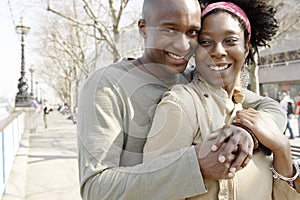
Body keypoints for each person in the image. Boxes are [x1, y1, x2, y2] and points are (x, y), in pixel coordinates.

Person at [77, 0, 288, 199]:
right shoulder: (107, 86)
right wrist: (196, 166)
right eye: (169, 30)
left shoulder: (193, 78)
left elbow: (269, 106)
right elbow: (96, 188)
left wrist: (248, 132)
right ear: (143, 28)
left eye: (192, 32)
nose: (182, 45)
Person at [144, 0, 300, 199]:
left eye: (230, 41)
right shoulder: (182, 104)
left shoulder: (250, 109)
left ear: (246, 47)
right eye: (206, 42)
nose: (218, 51)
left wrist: (282, 149)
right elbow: (154, 188)